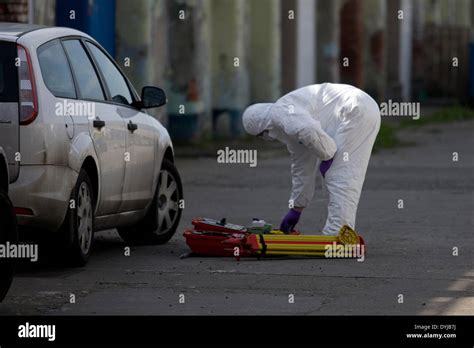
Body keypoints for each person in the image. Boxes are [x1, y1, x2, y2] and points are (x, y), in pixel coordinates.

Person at [242, 83, 381, 235]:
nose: (266, 138)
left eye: (261, 135)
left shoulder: (280, 111)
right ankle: (338, 231)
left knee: (339, 175)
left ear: (263, 127)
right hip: (359, 108)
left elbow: (308, 129)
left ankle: (338, 234)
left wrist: (327, 155)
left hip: (354, 110)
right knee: (335, 175)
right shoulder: (290, 130)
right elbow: (302, 170)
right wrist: (296, 209)